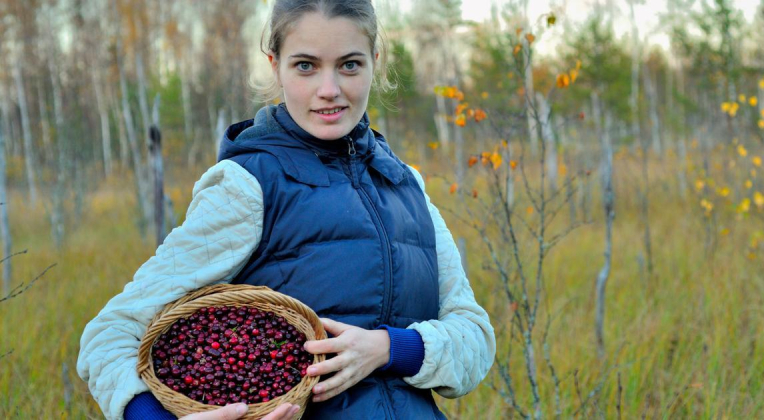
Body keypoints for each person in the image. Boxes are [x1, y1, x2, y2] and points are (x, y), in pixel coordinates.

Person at [76, 0, 495, 419]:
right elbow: (112, 334)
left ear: (375, 62)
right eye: (306, 66)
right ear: (275, 65)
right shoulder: (248, 186)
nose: (329, 89)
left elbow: (474, 338)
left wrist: (388, 348)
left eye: (349, 65)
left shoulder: (406, 185)